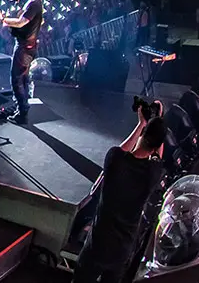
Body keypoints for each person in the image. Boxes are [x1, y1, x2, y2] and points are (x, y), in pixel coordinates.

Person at [72, 102, 166, 283]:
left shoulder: (115, 160)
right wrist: (158, 120)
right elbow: (158, 156)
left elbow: (122, 149)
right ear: (157, 146)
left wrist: (141, 124)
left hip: (98, 244)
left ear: (143, 135)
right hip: (122, 249)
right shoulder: (153, 173)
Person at [0, 0, 45, 124]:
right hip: (27, 45)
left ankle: (22, 111)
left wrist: (2, 19)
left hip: (25, 47)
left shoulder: (35, 3)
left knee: (16, 79)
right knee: (24, 78)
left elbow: (22, 22)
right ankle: (23, 107)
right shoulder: (33, 2)